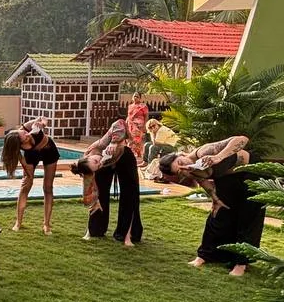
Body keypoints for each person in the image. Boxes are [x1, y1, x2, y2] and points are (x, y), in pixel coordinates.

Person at [157, 135, 262, 277]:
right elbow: (203, 181)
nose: (183, 168)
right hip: (228, 178)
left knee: (247, 216)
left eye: (181, 162)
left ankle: (241, 263)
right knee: (218, 215)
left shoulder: (205, 151)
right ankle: (205, 255)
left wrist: (218, 157)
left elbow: (242, 139)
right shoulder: (189, 169)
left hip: (252, 172)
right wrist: (215, 199)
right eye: (179, 171)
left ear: (181, 154)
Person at [69, 117, 143, 247]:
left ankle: (127, 234)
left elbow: (120, 122)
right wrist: (94, 202)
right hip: (109, 163)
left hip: (123, 156)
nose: (99, 162)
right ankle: (94, 230)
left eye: (96, 161)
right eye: (97, 166)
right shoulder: (90, 170)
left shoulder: (98, 147)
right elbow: (88, 196)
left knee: (130, 196)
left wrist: (114, 142)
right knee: (100, 194)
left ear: (88, 157)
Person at [1, 118, 61, 234]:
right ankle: (18, 222)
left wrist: (42, 123)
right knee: (26, 186)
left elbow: (43, 118)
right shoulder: (20, 152)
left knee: (48, 188)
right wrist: (29, 177)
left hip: (49, 150)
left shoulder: (28, 126)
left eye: (23, 131)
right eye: (23, 134)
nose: (25, 133)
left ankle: (46, 225)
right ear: (19, 143)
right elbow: (27, 170)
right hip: (32, 156)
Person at [126, 92, 150, 165]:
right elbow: (128, 116)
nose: (135, 97)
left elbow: (146, 116)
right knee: (130, 140)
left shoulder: (143, 106)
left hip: (139, 126)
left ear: (140, 98)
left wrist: (144, 126)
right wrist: (126, 123)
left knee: (137, 141)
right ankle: (131, 156)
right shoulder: (130, 106)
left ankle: (138, 157)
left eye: (137, 96)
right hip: (130, 125)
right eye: (134, 96)